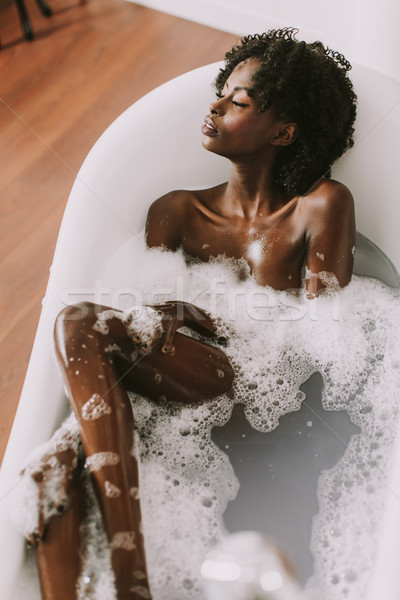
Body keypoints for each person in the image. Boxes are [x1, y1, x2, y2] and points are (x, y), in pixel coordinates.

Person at [22, 27, 357, 600]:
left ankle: (130, 581)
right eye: (221, 91)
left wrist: (208, 316)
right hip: (164, 400)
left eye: (239, 101)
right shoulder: (174, 213)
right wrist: (166, 308)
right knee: (51, 475)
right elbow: (134, 336)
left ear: (284, 132)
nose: (216, 104)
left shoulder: (319, 207)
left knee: (76, 323)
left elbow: (324, 342)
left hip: (254, 390)